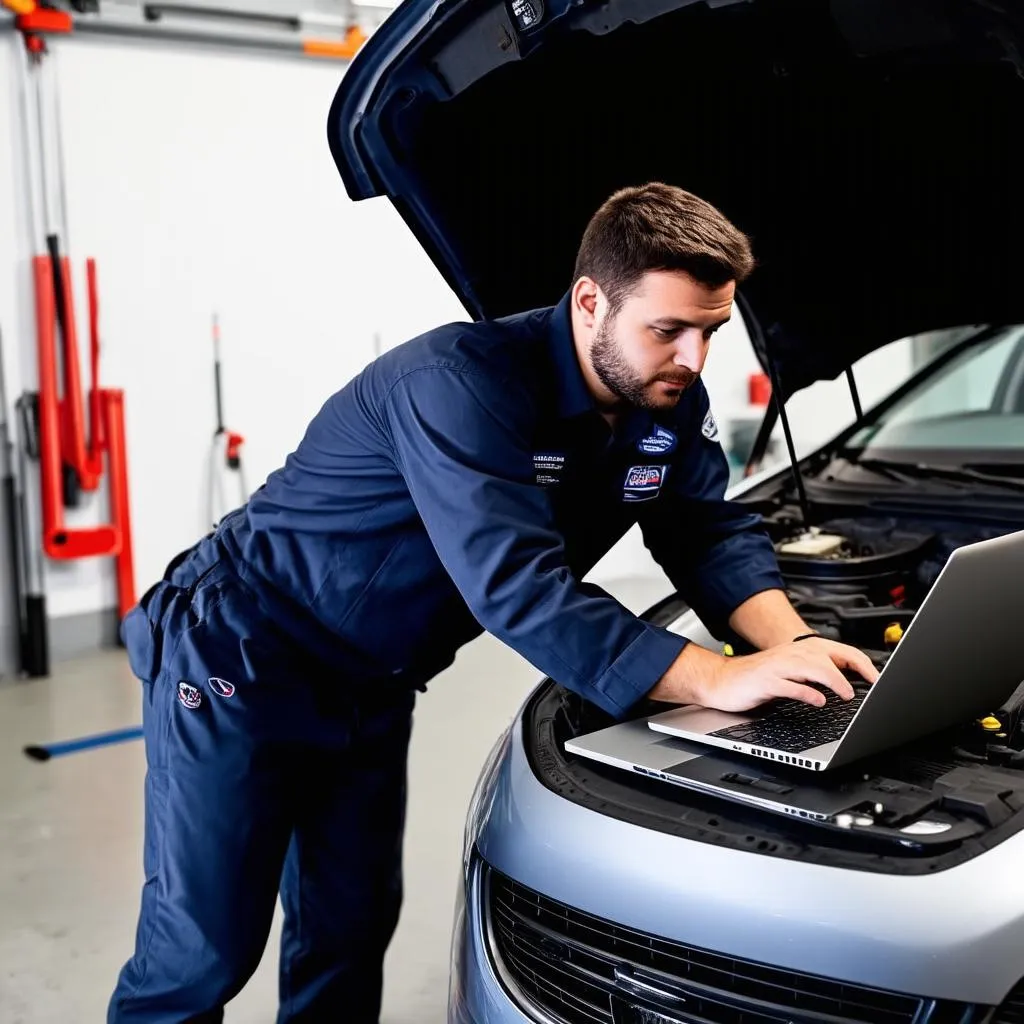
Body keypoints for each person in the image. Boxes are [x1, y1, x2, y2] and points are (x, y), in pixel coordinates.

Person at [109, 181, 878, 1022]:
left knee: (348, 928)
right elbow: (518, 587)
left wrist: (791, 649)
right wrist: (714, 679)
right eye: (668, 330)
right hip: (242, 651)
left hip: (371, 677)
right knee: (203, 953)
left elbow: (703, 530)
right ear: (591, 302)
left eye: (712, 332)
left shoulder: (666, 401)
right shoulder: (459, 383)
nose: (695, 360)